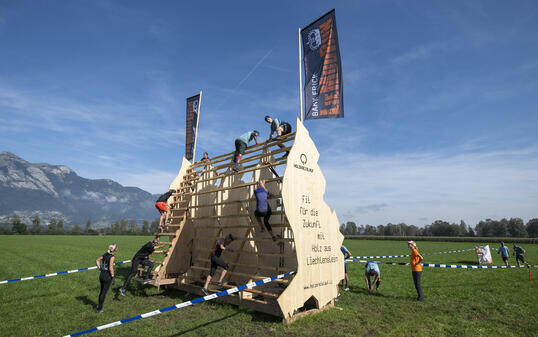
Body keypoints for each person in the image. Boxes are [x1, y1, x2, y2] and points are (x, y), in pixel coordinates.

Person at [95, 243, 117, 312]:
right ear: (114, 249)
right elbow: (111, 268)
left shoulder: (105, 254)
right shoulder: (112, 257)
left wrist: (99, 268)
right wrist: (113, 276)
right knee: (104, 292)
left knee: (101, 292)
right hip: (107, 276)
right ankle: (100, 308)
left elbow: (97, 260)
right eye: (116, 248)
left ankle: (99, 306)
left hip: (101, 275)